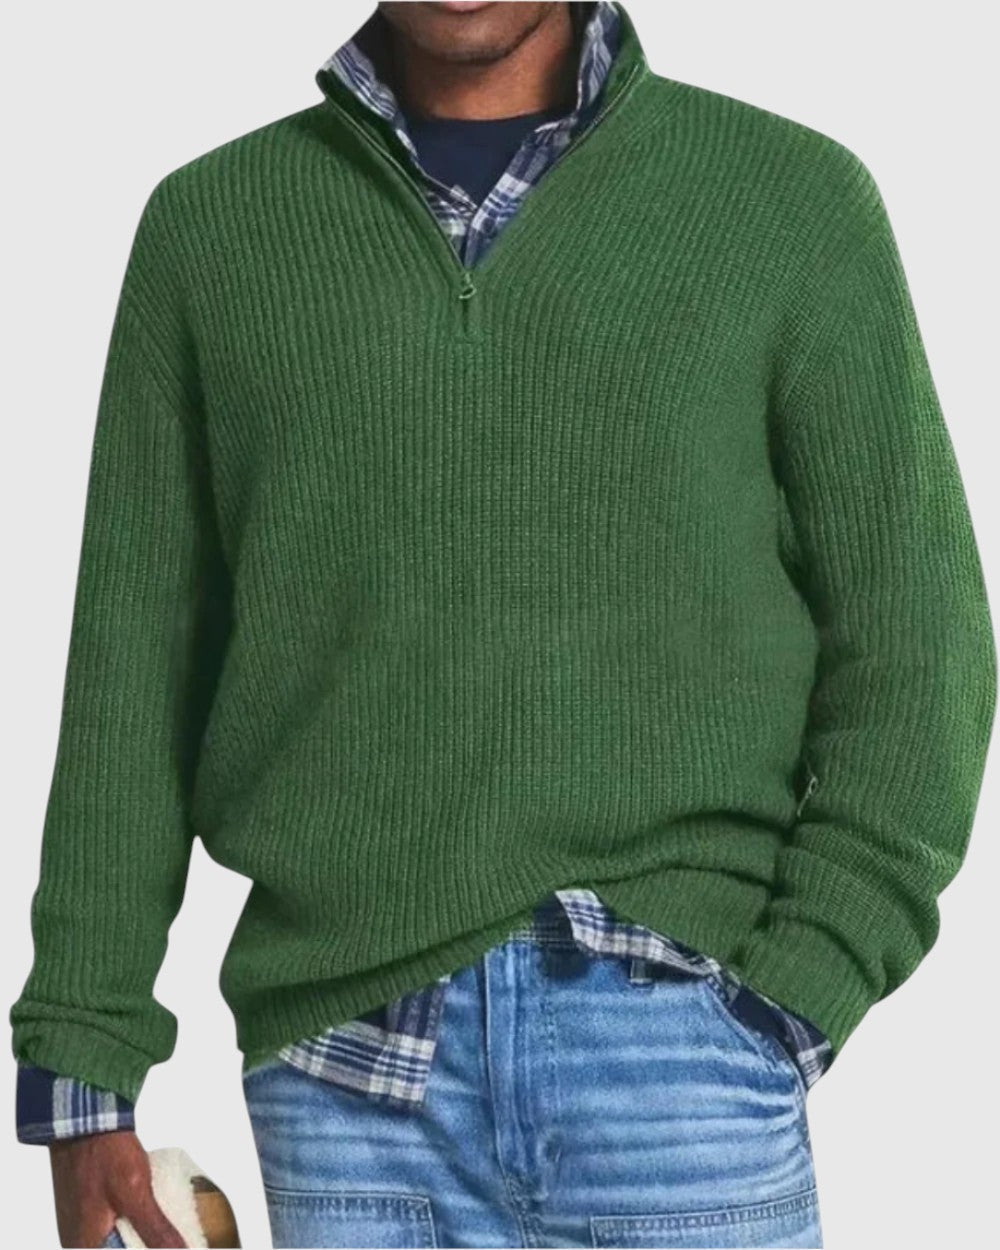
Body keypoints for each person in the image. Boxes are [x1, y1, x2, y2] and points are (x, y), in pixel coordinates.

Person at [10, 2, 996, 1247]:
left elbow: (919, 644)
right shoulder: (211, 228)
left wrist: (796, 990)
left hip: (678, 1043)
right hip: (347, 1071)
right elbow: (132, 667)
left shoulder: (790, 201)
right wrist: (82, 1068)